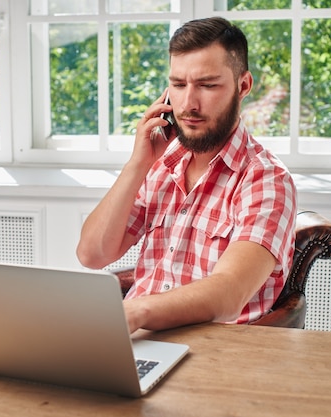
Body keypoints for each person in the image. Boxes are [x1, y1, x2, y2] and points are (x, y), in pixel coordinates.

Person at [76, 17, 297, 333]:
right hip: (136, 342)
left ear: (243, 85)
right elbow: (92, 255)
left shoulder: (266, 180)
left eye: (207, 85)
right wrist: (138, 165)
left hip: (215, 357)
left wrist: (135, 312)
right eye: (178, 85)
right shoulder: (163, 165)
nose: (189, 104)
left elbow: (229, 292)